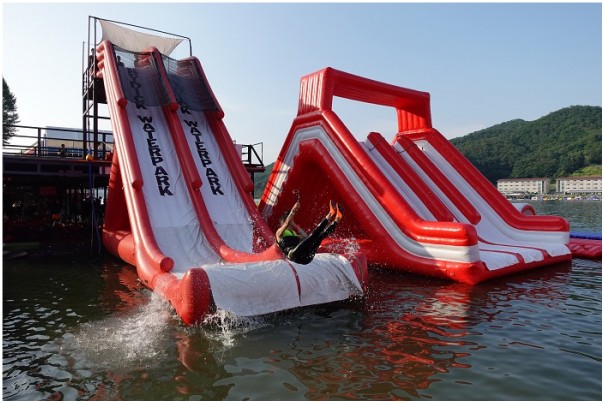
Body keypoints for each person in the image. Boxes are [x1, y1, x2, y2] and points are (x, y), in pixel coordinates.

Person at [276, 199, 343, 265]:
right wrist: (293, 210)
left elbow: (306, 237)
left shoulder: (294, 235)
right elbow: (286, 223)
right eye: (290, 223)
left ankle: (336, 220)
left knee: (319, 237)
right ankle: (330, 214)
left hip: (307, 257)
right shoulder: (279, 233)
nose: (291, 225)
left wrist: (295, 225)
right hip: (294, 255)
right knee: (313, 235)